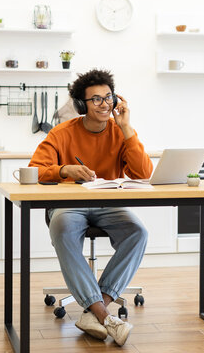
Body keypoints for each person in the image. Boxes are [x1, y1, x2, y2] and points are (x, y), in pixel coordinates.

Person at [29, 69, 153, 346]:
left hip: (108, 203)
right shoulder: (62, 133)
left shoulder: (121, 132)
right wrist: (64, 169)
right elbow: (34, 170)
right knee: (61, 226)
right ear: (82, 105)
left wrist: (127, 128)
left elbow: (143, 172)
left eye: (108, 97)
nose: (104, 104)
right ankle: (104, 314)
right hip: (68, 205)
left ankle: (95, 312)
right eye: (95, 99)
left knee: (138, 232)